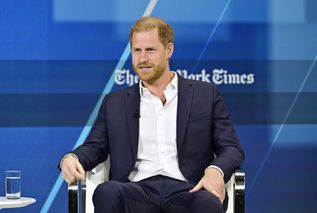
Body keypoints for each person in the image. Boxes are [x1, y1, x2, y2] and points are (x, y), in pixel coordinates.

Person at [60, 16, 244, 213]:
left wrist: (215, 171)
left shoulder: (205, 95)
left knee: (207, 203)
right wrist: (72, 158)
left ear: (169, 50)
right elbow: (95, 146)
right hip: (136, 190)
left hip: (189, 190)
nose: (142, 59)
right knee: (107, 192)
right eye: (137, 51)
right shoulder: (115, 102)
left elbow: (231, 148)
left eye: (150, 50)